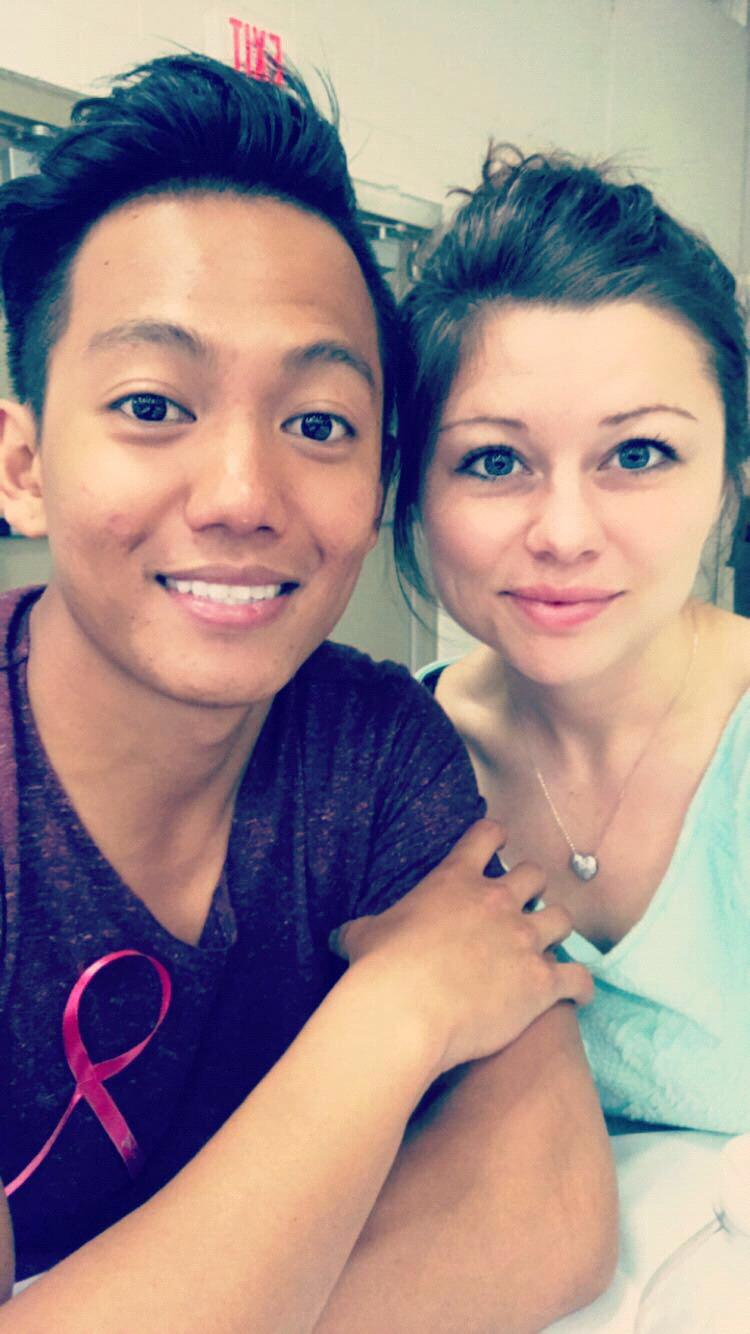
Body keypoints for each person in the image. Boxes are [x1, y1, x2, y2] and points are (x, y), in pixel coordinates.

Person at [0, 61, 615, 1331]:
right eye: (152, 404)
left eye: (320, 423)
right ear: (24, 465)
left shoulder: (374, 747)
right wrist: (393, 1014)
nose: (242, 494)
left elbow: (550, 1205)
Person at [395, 146, 750, 1138]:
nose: (564, 532)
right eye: (493, 460)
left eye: (638, 452)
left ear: (729, 482)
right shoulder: (387, 770)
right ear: (414, 489)